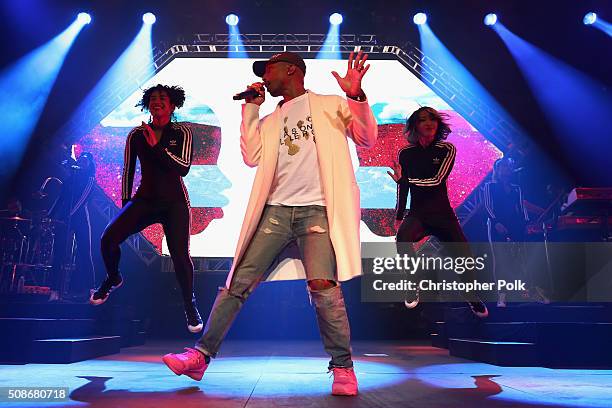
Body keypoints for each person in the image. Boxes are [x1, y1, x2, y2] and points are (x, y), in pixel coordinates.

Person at [161, 51, 377, 396]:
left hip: (318, 211)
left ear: (291, 70)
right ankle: (199, 357)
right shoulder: (271, 118)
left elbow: (367, 138)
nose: (265, 76)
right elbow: (251, 157)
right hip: (275, 211)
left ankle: (343, 367)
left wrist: (355, 95)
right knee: (237, 283)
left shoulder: (330, 104)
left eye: (269, 69)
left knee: (323, 286)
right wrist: (250, 109)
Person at [89, 84, 203, 333]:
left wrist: (157, 146)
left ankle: (189, 305)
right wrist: (126, 205)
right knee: (108, 238)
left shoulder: (182, 131)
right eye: (153, 98)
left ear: (172, 105)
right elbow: (128, 170)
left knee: (180, 257)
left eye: (163, 98)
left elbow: (183, 167)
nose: (157, 101)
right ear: (148, 105)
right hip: (145, 200)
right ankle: (113, 278)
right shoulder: (136, 135)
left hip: (174, 202)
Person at [388, 106, 488, 317]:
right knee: (403, 238)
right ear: (415, 125)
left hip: (443, 216)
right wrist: (399, 216)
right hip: (418, 214)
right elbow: (403, 186)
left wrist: (404, 180)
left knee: (463, 259)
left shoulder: (447, 149)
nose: (429, 123)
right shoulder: (405, 153)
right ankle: (412, 285)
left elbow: (436, 181)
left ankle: (472, 297)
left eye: (432, 119)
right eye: (423, 119)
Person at [484, 157, 549, 306]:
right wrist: (496, 222)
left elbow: (521, 208)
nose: (506, 170)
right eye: (503, 167)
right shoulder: (490, 186)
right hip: (496, 225)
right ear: (497, 170)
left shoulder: (516, 188)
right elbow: (487, 207)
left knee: (524, 257)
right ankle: (502, 294)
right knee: (500, 259)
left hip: (515, 224)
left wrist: (526, 223)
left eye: (508, 167)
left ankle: (530, 291)